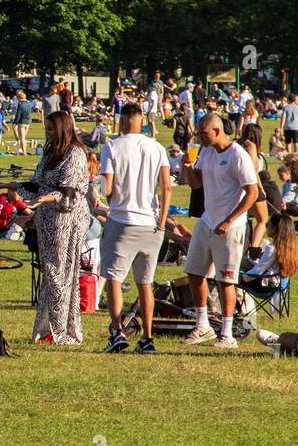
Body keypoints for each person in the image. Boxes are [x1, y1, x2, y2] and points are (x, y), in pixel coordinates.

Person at [0, 111, 90, 344]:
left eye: (52, 129)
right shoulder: (50, 152)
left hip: (67, 221)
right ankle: (47, 329)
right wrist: (7, 185)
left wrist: (43, 199)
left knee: (60, 273)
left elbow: (71, 191)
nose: (49, 133)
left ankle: (62, 331)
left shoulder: (75, 154)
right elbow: (37, 183)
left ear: (64, 128)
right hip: (47, 223)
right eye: (47, 129)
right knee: (51, 272)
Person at [178, 114, 259, 348]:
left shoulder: (237, 156)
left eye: (203, 133)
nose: (199, 137)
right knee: (193, 271)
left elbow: (252, 193)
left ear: (217, 131)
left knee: (226, 280)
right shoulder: (206, 151)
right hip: (207, 220)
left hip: (231, 226)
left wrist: (229, 219)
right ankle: (203, 325)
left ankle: (227, 333)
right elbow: (196, 184)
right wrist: (187, 169)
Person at [98, 103, 172, 355]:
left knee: (114, 279)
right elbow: (166, 187)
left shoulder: (111, 147)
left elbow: (106, 188)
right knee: (145, 284)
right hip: (150, 223)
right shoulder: (156, 147)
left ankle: (118, 332)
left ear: (121, 121)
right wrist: (162, 222)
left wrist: (101, 198)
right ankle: (148, 338)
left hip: (122, 220)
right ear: (142, 120)